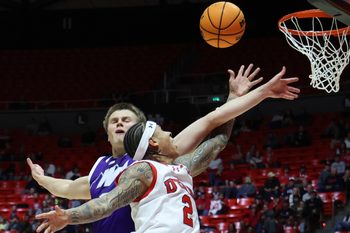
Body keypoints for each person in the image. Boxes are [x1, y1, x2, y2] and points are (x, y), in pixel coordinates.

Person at [35, 66, 299, 233]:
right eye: (165, 132)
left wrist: (236, 98)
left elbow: (217, 139)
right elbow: (105, 203)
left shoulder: (180, 168)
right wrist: (67, 215)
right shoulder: (142, 170)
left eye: (125, 120)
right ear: (152, 141)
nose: (173, 134)